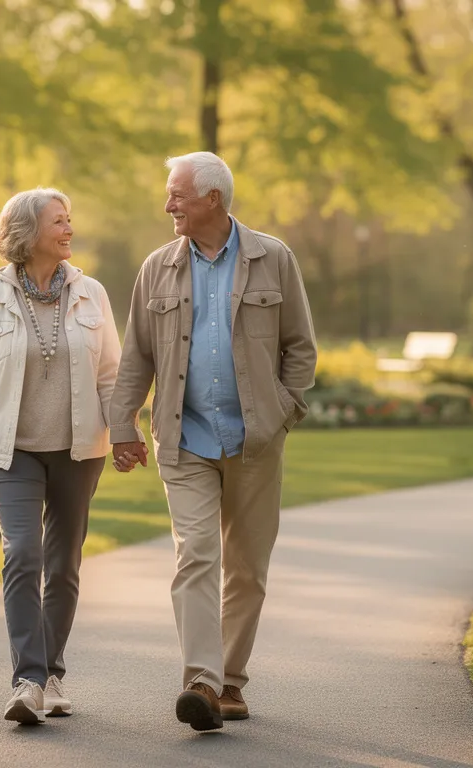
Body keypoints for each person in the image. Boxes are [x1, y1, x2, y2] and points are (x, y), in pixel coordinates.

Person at [108, 152, 317, 731]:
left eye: (177, 194)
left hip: (256, 440)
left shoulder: (273, 258)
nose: (168, 204)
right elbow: (137, 357)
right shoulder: (156, 267)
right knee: (196, 553)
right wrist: (122, 423)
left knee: (247, 567)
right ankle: (200, 680)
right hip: (185, 437)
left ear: (213, 200)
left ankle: (229, 682)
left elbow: (300, 345)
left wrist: (284, 410)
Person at [0, 188, 121, 724]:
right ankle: (27, 680)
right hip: (11, 451)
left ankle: (52, 676)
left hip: (78, 450)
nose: (69, 229)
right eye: (58, 222)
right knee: (22, 553)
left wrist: (126, 432)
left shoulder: (91, 293)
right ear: (27, 233)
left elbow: (111, 374)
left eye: (70, 220)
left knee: (64, 564)